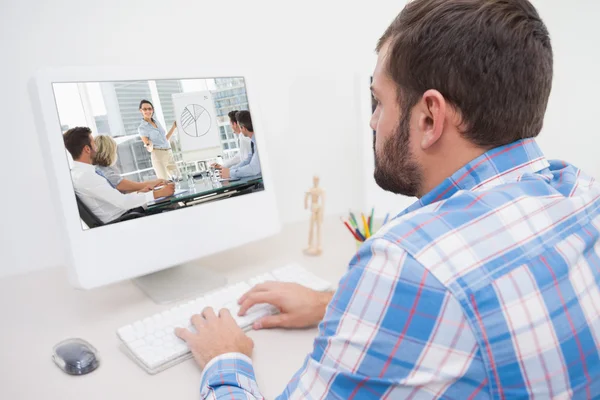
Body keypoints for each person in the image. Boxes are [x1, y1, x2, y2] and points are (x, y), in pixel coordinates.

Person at [174, 0, 600, 398]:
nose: (374, 121)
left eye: (378, 101)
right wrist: (332, 304)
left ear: (430, 117)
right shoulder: (582, 191)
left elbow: (441, 283)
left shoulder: (412, 262)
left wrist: (224, 357)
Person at [63, 127, 175, 224]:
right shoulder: (86, 176)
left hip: (123, 215)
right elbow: (123, 202)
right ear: (87, 149)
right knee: (172, 207)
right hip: (124, 219)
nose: (97, 148)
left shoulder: (80, 173)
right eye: (94, 144)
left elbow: (114, 198)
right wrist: (158, 193)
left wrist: (141, 192)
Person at [92, 135, 167, 194]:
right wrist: (156, 182)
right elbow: (123, 185)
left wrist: (144, 189)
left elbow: (124, 190)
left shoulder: (102, 169)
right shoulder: (103, 172)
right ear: (109, 152)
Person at [137, 99, 178, 180]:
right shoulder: (142, 128)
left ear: (153, 110)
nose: (148, 111)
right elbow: (148, 146)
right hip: (158, 154)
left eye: (150, 109)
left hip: (168, 153)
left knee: (177, 178)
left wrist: (173, 127)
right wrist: (148, 144)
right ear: (141, 110)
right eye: (145, 109)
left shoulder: (156, 122)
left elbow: (165, 139)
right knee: (164, 181)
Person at [217, 111, 261, 179]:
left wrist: (230, 172)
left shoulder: (258, 143)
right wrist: (229, 171)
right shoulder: (253, 142)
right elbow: (247, 161)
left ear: (243, 128)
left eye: (240, 126)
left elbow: (253, 169)